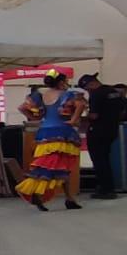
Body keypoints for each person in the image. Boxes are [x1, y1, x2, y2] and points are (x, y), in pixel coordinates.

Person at [16, 70, 84, 212]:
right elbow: (80, 105)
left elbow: (22, 107)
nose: (67, 84)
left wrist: (36, 118)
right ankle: (45, 195)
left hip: (45, 132)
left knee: (49, 165)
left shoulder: (41, 95)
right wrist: (72, 120)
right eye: (65, 81)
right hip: (62, 132)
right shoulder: (67, 94)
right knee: (60, 166)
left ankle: (68, 198)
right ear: (60, 82)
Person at [81, 73, 125, 199]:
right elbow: (122, 109)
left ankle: (105, 189)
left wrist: (82, 117)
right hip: (112, 130)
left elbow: (94, 115)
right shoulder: (114, 91)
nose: (88, 91)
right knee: (105, 159)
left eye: (87, 89)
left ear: (90, 84)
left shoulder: (96, 94)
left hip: (97, 130)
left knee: (99, 160)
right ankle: (108, 187)